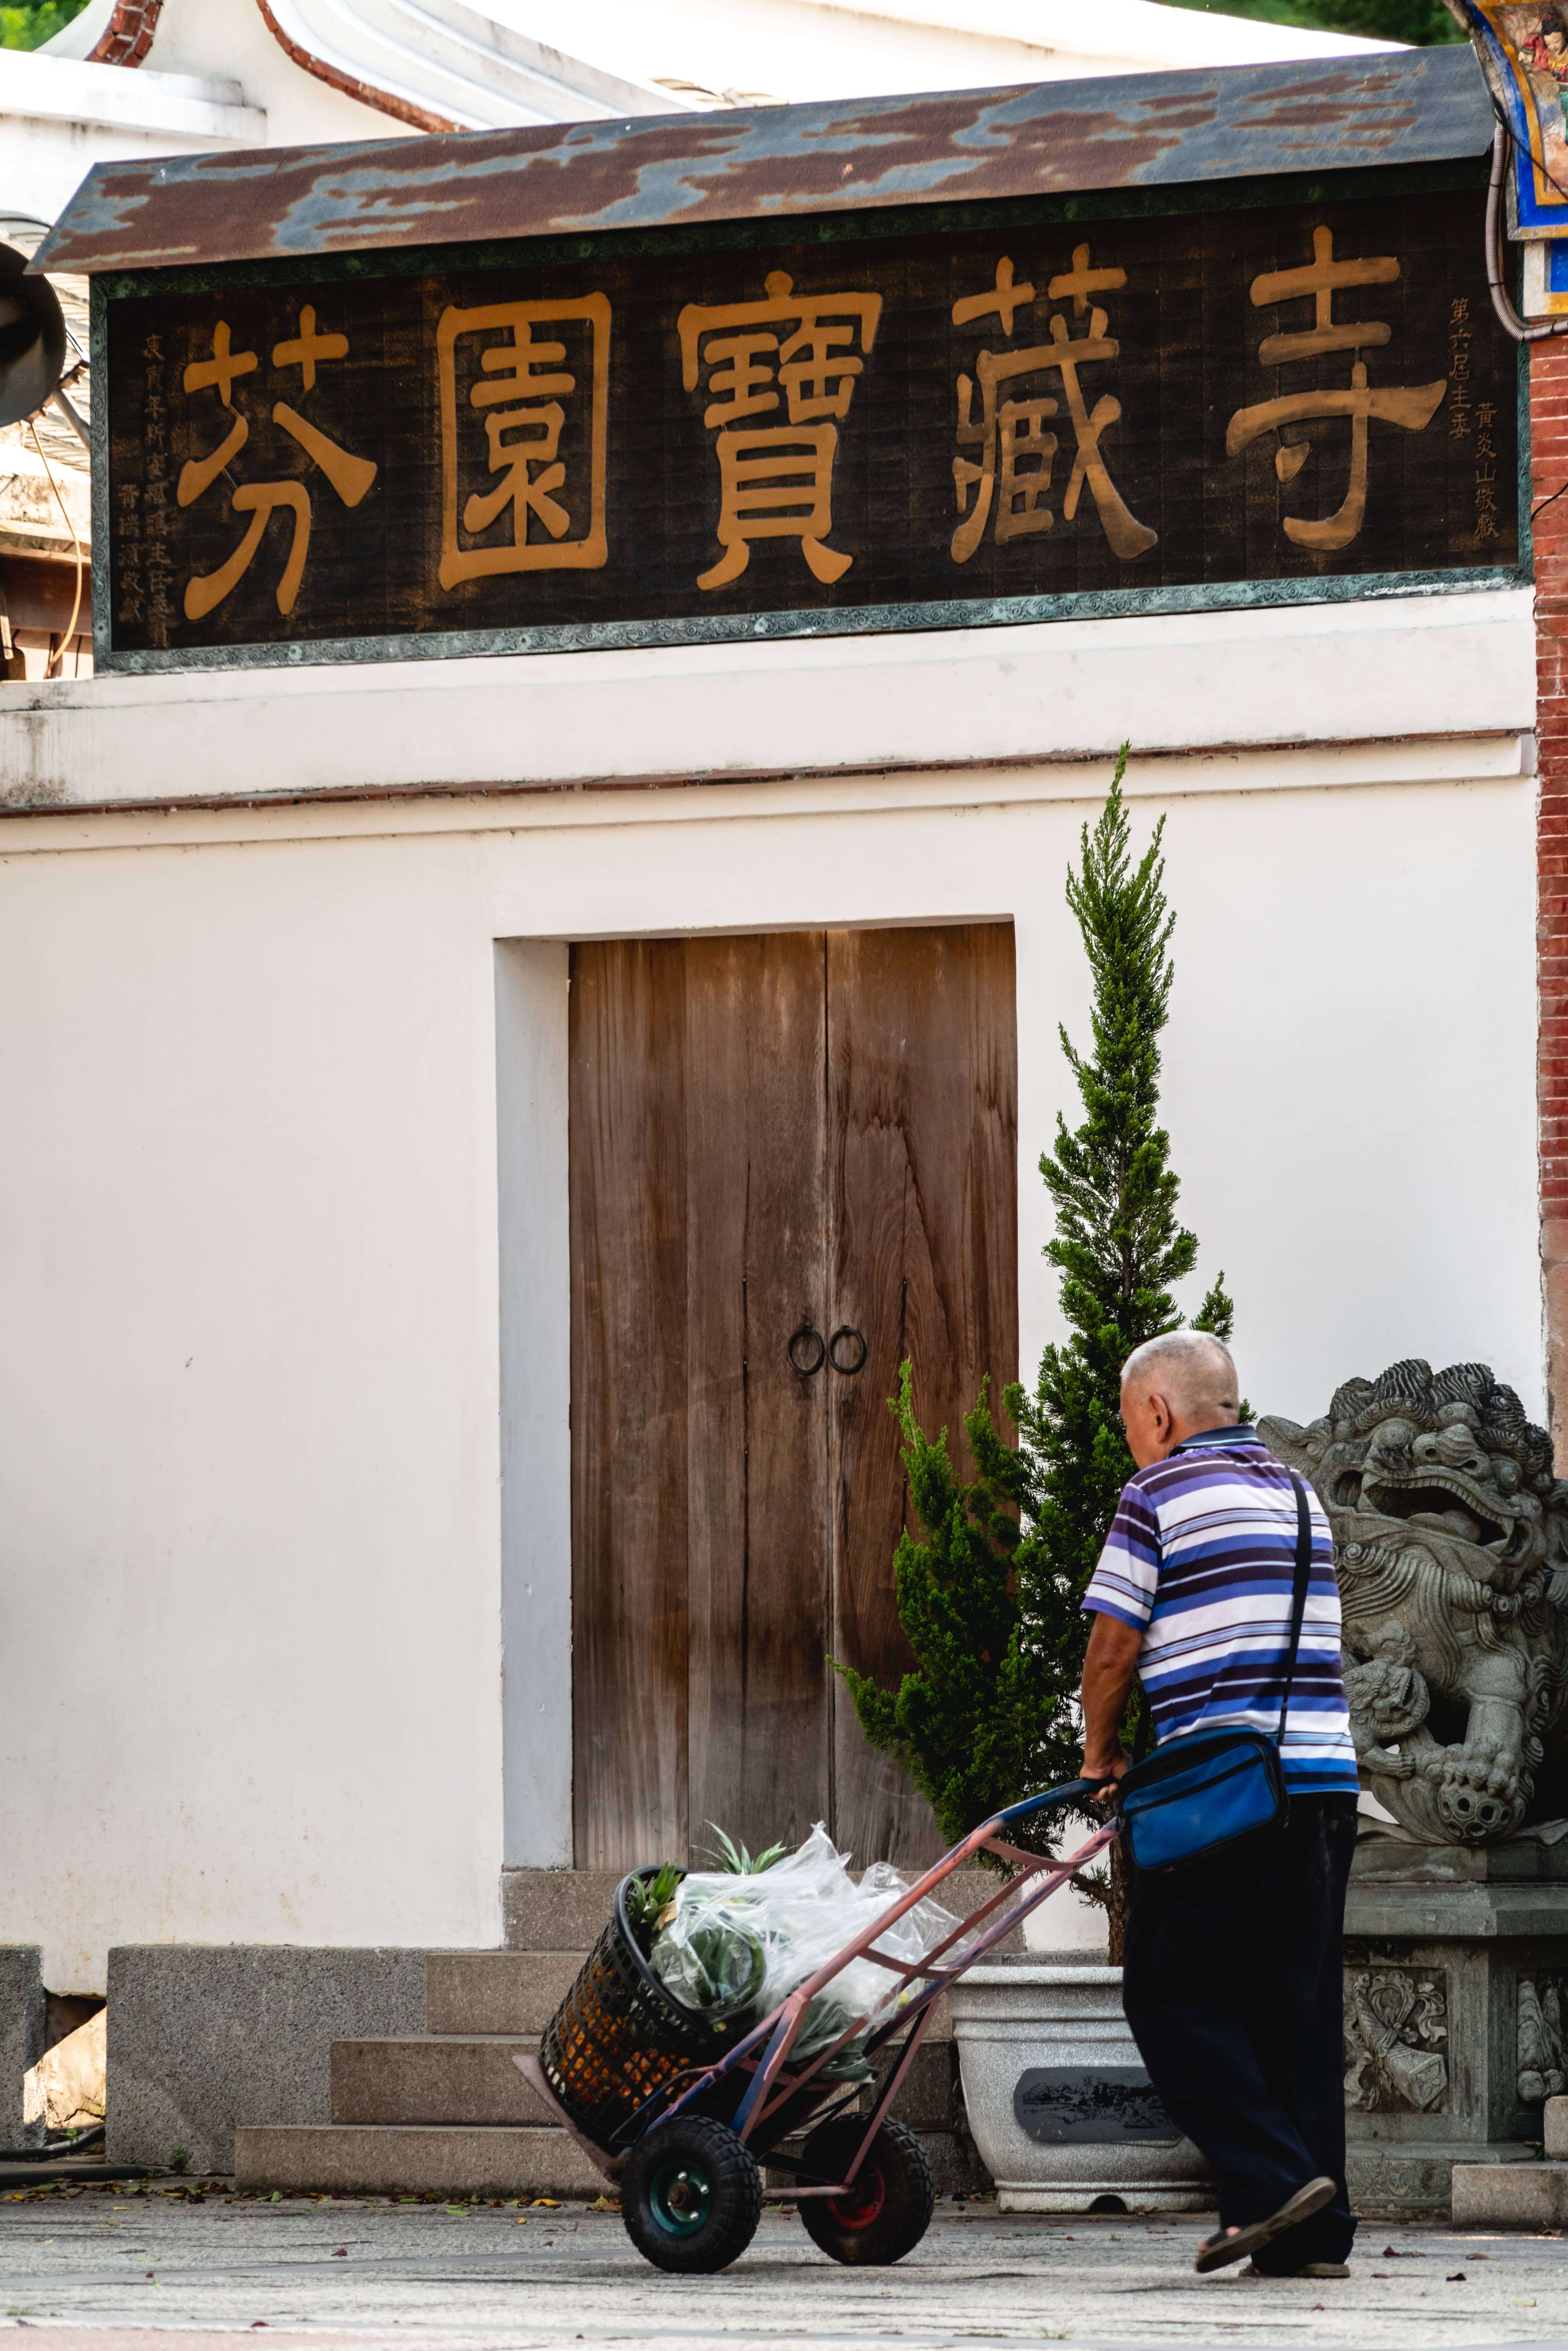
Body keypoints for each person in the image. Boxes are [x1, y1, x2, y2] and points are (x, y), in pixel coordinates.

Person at [1078, 1330, 1360, 2279]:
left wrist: (1102, 1753)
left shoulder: (1154, 1495)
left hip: (1227, 1795)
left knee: (1169, 1991)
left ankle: (1272, 2184)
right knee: (1298, 2010)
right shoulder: (1299, 1493)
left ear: (1157, 1411)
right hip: (1322, 1785)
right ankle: (1313, 2239)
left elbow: (1115, 1646)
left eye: (1130, 1423)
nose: (1132, 1442)